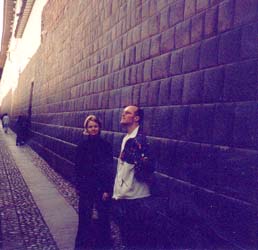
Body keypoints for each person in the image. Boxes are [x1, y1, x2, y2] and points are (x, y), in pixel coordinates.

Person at [112, 105, 155, 249]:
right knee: (127, 239)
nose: (123, 115)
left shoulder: (140, 140)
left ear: (136, 118)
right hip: (125, 196)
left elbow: (147, 168)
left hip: (136, 198)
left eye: (127, 113)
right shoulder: (127, 138)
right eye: (123, 112)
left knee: (136, 241)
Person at [74, 115, 113, 250]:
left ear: (99, 127)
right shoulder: (81, 146)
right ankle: (82, 246)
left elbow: (109, 169)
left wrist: (107, 189)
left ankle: (104, 246)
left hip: (101, 188)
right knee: (84, 218)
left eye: (95, 126)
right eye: (90, 126)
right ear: (86, 129)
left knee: (104, 217)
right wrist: (78, 186)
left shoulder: (106, 146)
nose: (93, 129)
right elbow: (77, 168)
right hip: (86, 187)